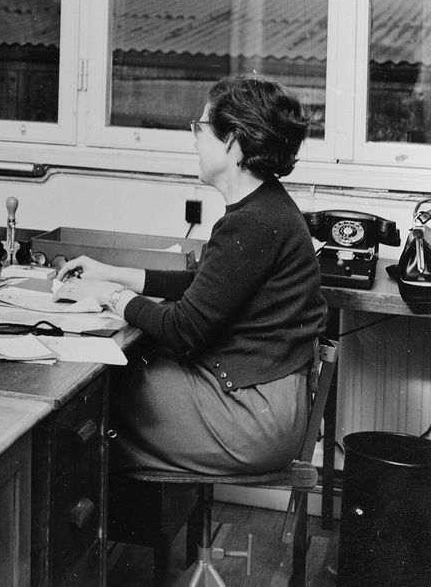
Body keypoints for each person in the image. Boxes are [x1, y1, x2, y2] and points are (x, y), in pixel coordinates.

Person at [58, 75, 326, 475]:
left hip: (251, 420)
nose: (194, 140)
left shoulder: (253, 221)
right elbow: (206, 286)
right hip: (266, 405)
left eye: (200, 127)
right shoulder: (265, 207)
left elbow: (183, 328)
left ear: (232, 140)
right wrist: (113, 275)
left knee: (91, 395)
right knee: (109, 387)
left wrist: (109, 296)